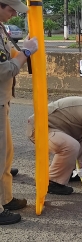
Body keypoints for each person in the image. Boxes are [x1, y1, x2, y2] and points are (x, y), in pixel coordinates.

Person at [0, 0, 38, 225]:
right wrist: (25, 52)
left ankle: (5, 198)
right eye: (11, 9)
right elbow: (6, 70)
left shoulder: (1, 28)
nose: (14, 14)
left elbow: (12, 54)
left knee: (6, 154)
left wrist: (25, 50)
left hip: (3, 100)